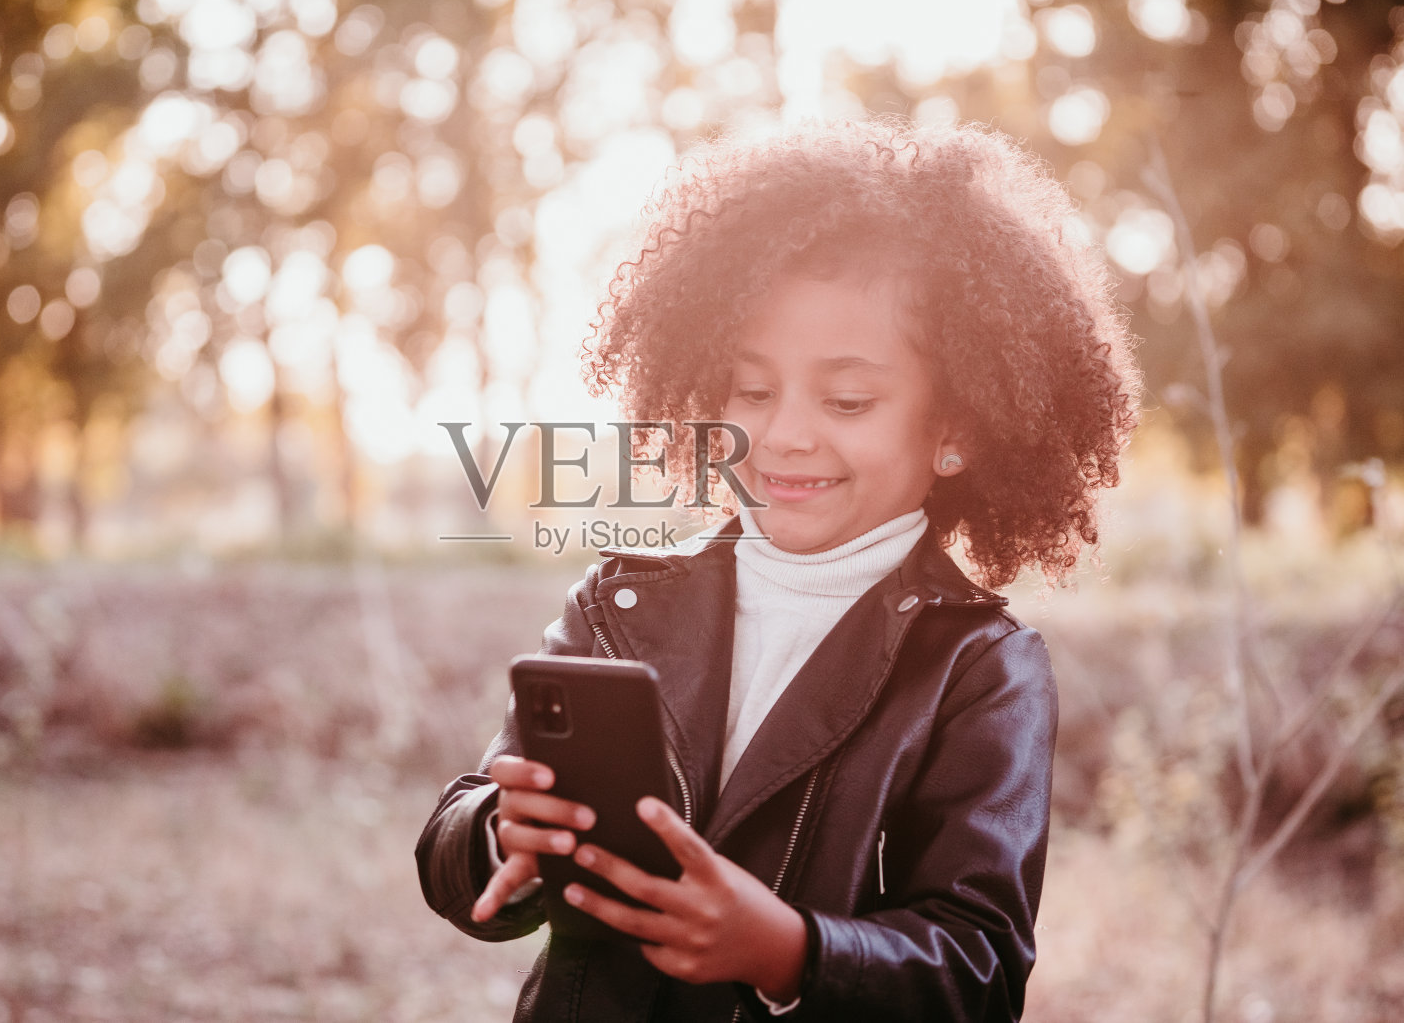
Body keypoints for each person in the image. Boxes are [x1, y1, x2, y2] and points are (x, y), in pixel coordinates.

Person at [416, 118, 1140, 1021]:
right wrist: (497, 837)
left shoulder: (977, 668)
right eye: (752, 390)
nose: (786, 431)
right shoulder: (619, 604)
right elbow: (462, 843)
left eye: (847, 398)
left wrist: (793, 952)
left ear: (955, 429)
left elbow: (978, 970)